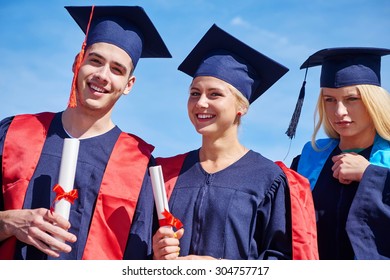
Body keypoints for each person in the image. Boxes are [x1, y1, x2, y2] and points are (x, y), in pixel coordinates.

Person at [0, 5, 171, 260]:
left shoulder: (138, 165)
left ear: (128, 85)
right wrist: (7, 222)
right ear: (77, 64)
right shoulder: (15, 133)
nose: (102, 75)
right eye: (95, 61)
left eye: (117, 70)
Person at [149, 24, 318, 260]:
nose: (200, 103)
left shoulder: (268, 178)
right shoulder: (166, 174)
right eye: (195, 93)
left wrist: (218, 268)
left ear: (242, 107)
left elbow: (281, 260)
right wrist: (154, 256)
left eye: (215, 94)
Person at [290, 47, 390, 259]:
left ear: (374, 102)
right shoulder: (307, 161)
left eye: (352, 99)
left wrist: (371, 175)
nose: (339, 112)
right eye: (330, 100)